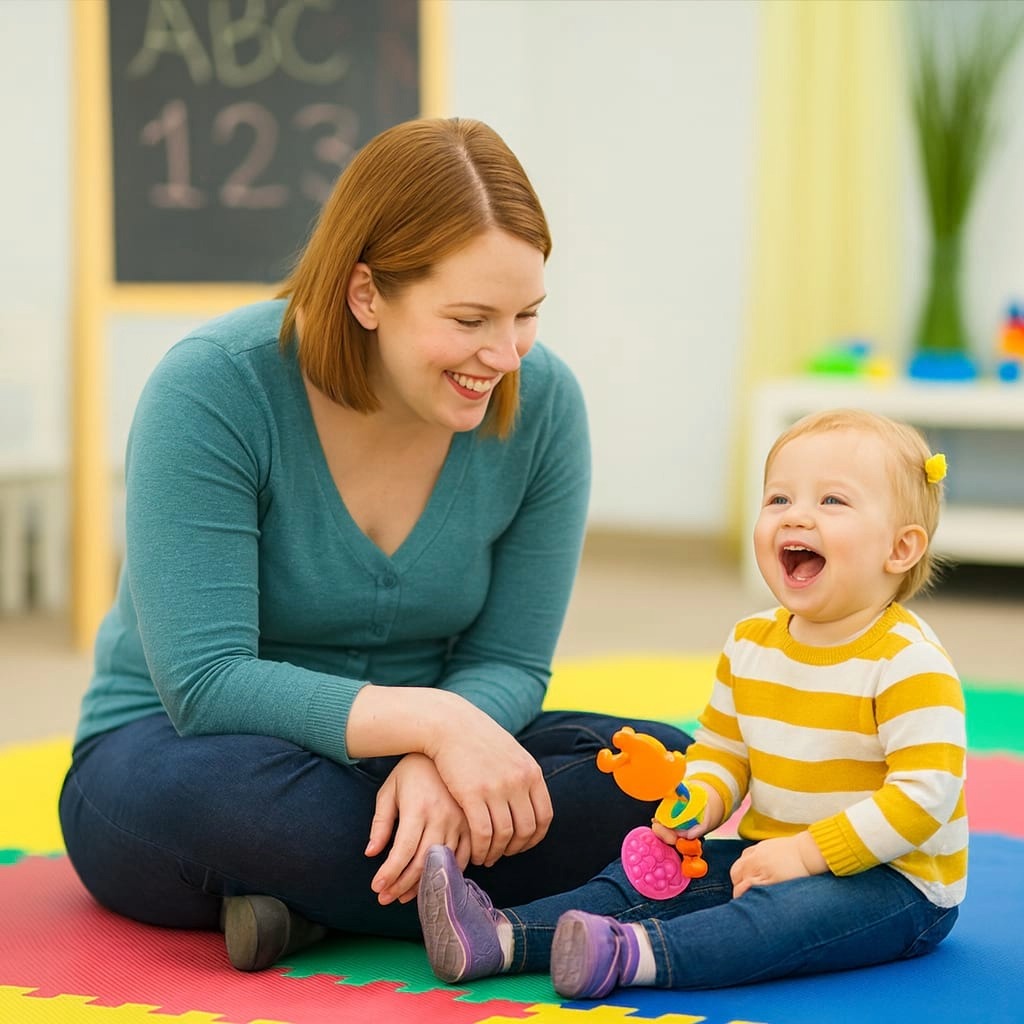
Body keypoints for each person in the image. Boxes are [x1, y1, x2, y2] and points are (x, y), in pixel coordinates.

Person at [58, 117, 693, 972]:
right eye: (470, 319)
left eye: (527, 317)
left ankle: (313, 905)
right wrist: (437, 724)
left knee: (662, 773)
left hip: (417, 760)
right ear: (366, 294)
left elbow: (510, 660)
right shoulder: (212, 388)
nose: (504, 354)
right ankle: (557, 909)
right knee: (261, 815)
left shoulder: (545, 407)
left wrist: (441, 757)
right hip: (186, 752)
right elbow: (206, 686)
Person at [418, 408, 967, 996]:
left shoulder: (909, 662)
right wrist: (697, 801)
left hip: (896, 885)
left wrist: (808, 855)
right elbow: (725, 751)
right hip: (774, 855)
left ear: (901, 548)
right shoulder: (751, 643)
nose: (796, 516)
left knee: (774, 923)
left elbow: (922, 798)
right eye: (778, 499)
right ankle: (501, 936)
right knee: (649, 874)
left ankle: (632, 957)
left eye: (832, 501)